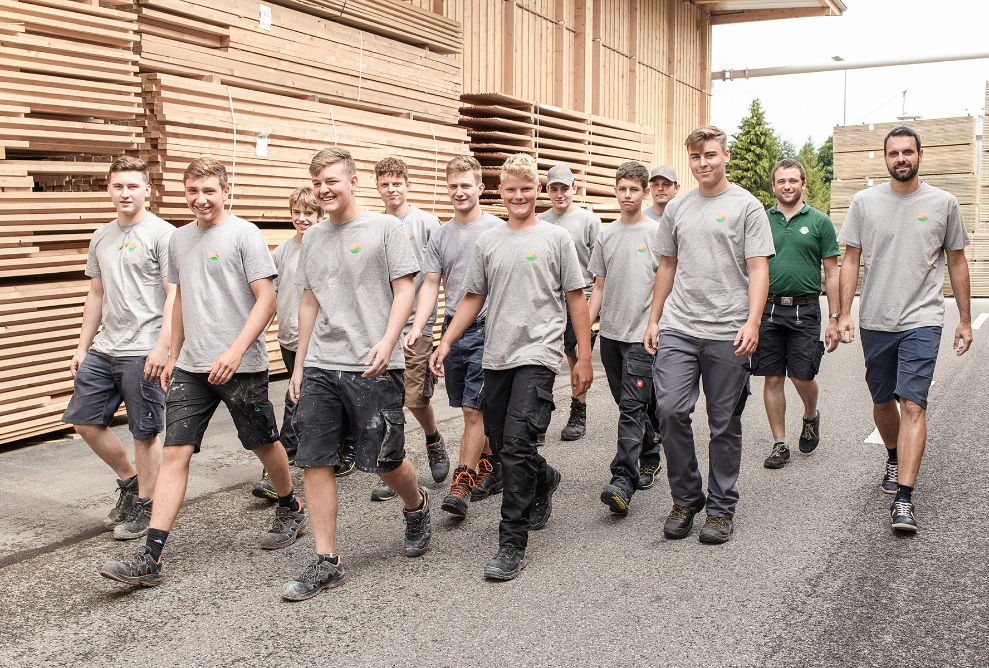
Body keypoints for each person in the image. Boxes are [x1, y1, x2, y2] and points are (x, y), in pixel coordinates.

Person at [99, 157, 305, 587]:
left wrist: (235, 350)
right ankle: (151, 556)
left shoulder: (245, 234)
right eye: (193, 191)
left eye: (209, 190)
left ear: (226, 191)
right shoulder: (179, 240)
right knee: (176, 452)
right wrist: (173, 354)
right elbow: (177, 301)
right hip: (192, 366)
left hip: (241, 366)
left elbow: (266, 300)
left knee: (263, 443)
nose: (200, 199)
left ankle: (290, 506)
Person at [431, 153, 592, 580]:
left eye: (526, 188)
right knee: (504, 448)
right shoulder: (489, 241)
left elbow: (576, 298)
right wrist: (446, 341)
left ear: (537, 190)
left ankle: (511, 543)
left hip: (538, 355)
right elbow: (471, 298)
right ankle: (546, 478)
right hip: (496, 356)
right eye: (510, 189)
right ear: (500, 193)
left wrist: (585, 358)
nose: (518, 196)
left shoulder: (557, 239)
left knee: (518, 445)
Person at [281, 148, 431, 601]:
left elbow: (405, 288)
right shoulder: (314, 238)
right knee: (315, 458)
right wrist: (300, 363)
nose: (325, 190)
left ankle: (416, 504)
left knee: (385, 459)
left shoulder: (386, 229)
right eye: (318, 182)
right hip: (324, 362)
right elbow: (309, 300)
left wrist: (389, 341)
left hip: (374, 361)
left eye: (332, 181)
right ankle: (327, 559)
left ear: (352, 182)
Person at [837, 126, 972, 533]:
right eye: (893, 153)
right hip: (876, 319)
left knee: (913, 404)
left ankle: (904, 499)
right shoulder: (864, 203)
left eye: (907, 152)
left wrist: (964, 319)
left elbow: (957, 261)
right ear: (885, 159)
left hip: (923, 319)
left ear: (920, 155)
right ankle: (893, 455)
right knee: (883, 402)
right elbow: (850, 259)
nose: (901, 159)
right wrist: (843, 312)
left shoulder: (943, 203)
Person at [644, 125, 774, 545]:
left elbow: (758, 269)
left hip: (727, 331)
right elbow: (666, 265)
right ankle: (686, 497)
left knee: (724, 424)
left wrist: (752, 321)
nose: (704, 164)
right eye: (697, 157)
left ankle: (720, 507)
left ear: (726, 156)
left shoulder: (747, 207)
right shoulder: (678, 208)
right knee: (669, 409)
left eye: (711, 155)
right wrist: (654, 319)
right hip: (680, 326)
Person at [62, 156, 175, 541]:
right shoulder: (101, 236)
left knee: (145, 432)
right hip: (105, 346)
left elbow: (175, 295)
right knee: (85, 421)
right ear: (109, 189)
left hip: (144, 347)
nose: (125, 193)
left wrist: (164, 347)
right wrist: (82, 345)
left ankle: (146, 504)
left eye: (132, 186)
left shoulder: (163, 234)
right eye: (118, 186)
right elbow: (96, 293)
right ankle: (130, 481)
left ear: (148, 189)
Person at [404, 156, 502, 518]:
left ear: (480, 188)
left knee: (472, 410)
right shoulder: (441, 234)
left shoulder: (497, 230)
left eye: (466, 185)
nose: (459, 192)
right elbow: (430, 283)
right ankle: (493, 464)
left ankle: (463, 480)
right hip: (453, 330)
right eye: (453, 186)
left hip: (489, 329)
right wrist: (418, 327)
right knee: (471, 408)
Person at [252, 186, 344, 501]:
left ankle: (279, 465)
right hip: (289, 339)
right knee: (304, 399)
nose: (302, 219)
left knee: (296, 398)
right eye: (297, 213)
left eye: (309, 213)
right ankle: (337, 445)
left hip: (319, 341)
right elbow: (268, 296)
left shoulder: (327, 247)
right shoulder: (281, 252)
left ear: (321, 215)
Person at [370, 157, 449, 502]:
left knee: (414, 397)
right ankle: (395, 468)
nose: (392, 190)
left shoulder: (427, 223)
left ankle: (433, 438)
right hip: (380, 324)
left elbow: (435, 276)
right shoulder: (371, 225)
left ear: (408, 184)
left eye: (397, 183)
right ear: (377, 187)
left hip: (418, 323)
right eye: (385, 184)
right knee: (385, 401)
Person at [587, 161, 664, 515]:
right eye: (622, 189)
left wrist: (657, 323)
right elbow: (598, 287)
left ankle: (622, 479)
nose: (627, 195)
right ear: (615, 190)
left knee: (632, 408)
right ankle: (651, 452)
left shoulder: (658, 233)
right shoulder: (606, 235)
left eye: (635, 189)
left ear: (644, 192)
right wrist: (585, 330)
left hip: (641, 336)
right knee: (626, 403)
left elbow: (668, 284)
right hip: (612, 336)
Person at [755, 159, 840, 469]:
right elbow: (751, 267)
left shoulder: (820, 222)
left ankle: (810, 415)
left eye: (793, 180)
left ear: (804, 183)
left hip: (806, 310)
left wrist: (835, 316)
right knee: (773, 377)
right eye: (781, 181)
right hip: (769, 309)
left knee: (802, 376)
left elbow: (832, 272)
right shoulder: (761, 220)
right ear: (774, 186)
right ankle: (779, 443)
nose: (787, 186)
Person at [536, 164, 601, 442]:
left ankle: (578, 410)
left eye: (565, 188)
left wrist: (594, 307)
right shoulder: (540, 220)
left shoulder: (588, 221)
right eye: (554, 188)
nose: (560, 194)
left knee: (576, 355)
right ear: (547, 191)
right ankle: (536, 416)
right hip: (548, 298)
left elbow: (600, 268)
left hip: (581, 297)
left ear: (574, 188)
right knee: (542, 358)